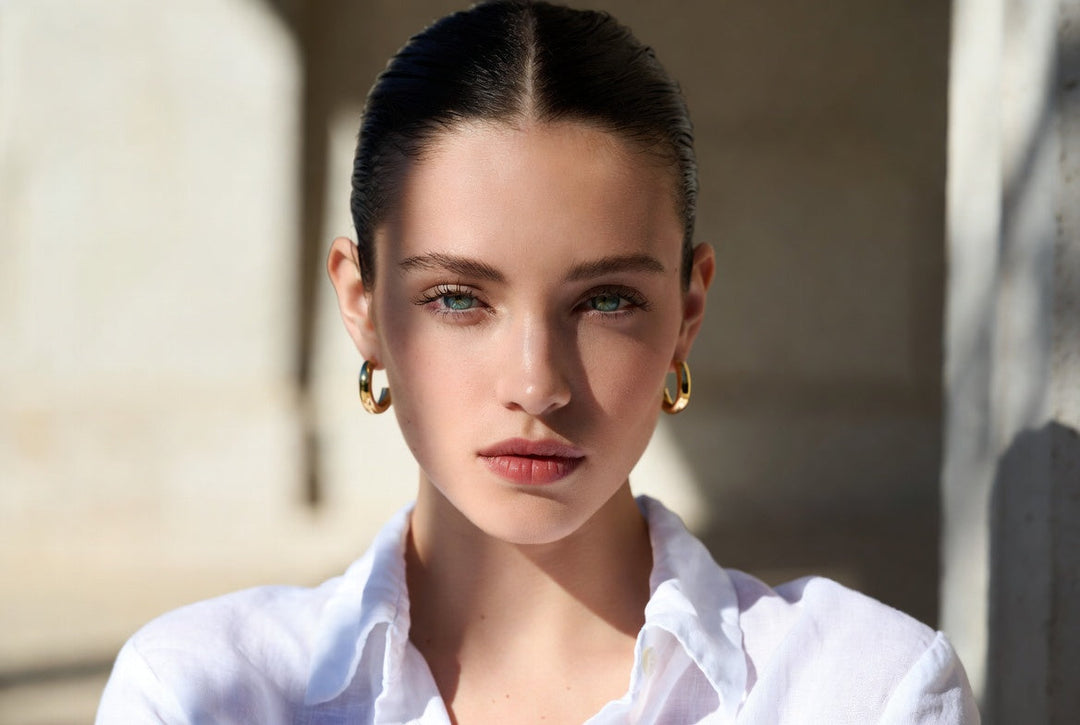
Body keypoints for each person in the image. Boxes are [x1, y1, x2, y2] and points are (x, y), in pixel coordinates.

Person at [96, 1, 979, 722]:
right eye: (457, 297)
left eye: (606, 300)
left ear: (688, 311)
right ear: (361, 305)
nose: (536, 384)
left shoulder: (862, 691)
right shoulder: (198, 695)